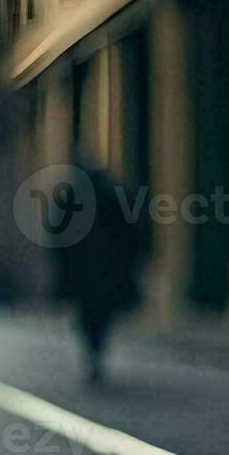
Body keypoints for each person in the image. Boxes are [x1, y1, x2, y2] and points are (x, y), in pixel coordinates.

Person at [55, 163, 143, 384]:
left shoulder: (73, 198)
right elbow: (130, 234)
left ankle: (93, 352)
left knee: (88, 316)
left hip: (84, 271)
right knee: (100, 315)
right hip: (104, 270)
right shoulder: (110, 196)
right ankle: (96, 351)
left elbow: (57, 238)